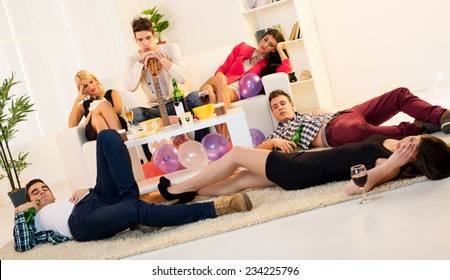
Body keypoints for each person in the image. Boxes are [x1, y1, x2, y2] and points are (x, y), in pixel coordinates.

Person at [12, 129, 253, 252]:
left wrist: (85, 190)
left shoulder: (62, 199)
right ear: (30, 201)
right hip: (82, 222)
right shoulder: (35, 221)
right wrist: (22, 210)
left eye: (44, 188)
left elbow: (81, 195)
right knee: (131, 209)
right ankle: (215, 208)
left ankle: (133, 207)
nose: (42, 192)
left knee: (107, 137)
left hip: (96, 197)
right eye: (36, 193)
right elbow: (21, 245)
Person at [157, 134, 450, 203]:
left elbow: (352, 188)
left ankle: (178, 188)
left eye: (410, 147)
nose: (404, 143)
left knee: (236, 155)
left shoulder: (390, 165)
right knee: (242, 181)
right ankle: (191, 194)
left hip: (300, 171)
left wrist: (395, 163)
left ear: (413, 159)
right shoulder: (394, 144)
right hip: (304, 164)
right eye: (411, 139)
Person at [257, 88, 450, 153]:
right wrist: (274, 142)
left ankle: (442, 115)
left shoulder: (309, 113)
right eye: (275, 107)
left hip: (343, 114)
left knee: (398, 94)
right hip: (333, 132)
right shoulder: (278, 134)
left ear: (292, 105)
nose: (280, 108)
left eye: (283, 103)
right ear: (273, 114)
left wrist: (322, 113)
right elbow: (255, 151)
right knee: (360, 130)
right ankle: (418, 128)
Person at [123, 17, 208, 159]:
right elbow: (130, 87)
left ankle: (201, 145)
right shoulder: (131, 60)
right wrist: (140, 63)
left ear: (154, 35)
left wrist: (161, 58)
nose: (145, 43)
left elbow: (182, 78)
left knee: (196, 97)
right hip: (156, 109)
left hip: (178, 103)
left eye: (148, 38)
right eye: (140, 40)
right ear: (135, 40)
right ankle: (152, 159)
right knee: (135, 114)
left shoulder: (171, 48)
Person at [199, 28, 293, 111]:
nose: (265, 44)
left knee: (209, 93)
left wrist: (280, 49)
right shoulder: (242, 47)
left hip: (235, 91)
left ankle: (223, 129)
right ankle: (225, 131)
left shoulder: (268, 65)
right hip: (218, 81)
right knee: (220, 80)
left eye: (271, 45)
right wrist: (220, 80)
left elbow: (287, 68)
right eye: (265, 39)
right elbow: (223, 68)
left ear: (273, 49)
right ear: (262, 37)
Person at [68, 70, 127, 141]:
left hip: (110, 123)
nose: (90, 86)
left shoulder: (111, 93)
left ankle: (114, 146)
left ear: (95, 80)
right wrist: (77, 100)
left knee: (98, 118)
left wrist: (92, 113)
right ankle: (122, 141)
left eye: (91, 82)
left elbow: (119, 110)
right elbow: (71, 125)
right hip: (93, 130)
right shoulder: (83, 106)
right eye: (86, 86)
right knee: (100, 111)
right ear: (83, 90)